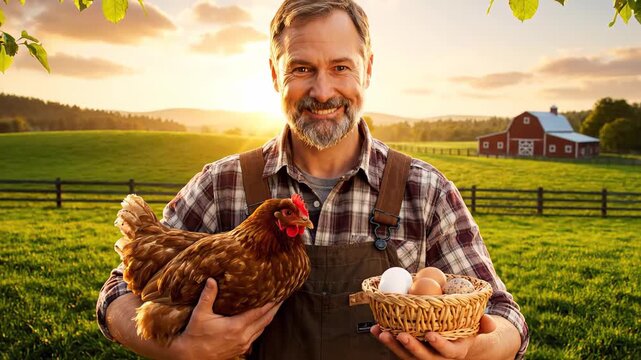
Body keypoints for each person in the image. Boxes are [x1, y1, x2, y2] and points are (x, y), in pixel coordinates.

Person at [96, 0, 529, 359]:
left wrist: (470, 349)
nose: (322, 91)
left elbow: (507, 320)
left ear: (368, 70)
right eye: (302, 69)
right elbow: (117, 291)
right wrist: (178, 349)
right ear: (273, 75)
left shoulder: (425, 191)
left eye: (341, 67)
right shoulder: (222, 183)